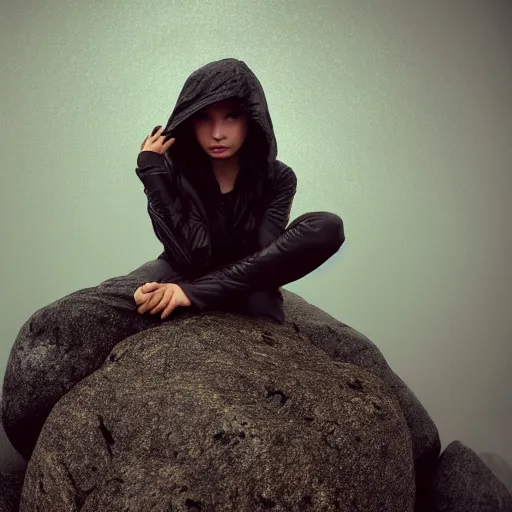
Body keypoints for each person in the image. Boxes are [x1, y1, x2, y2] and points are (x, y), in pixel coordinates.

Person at [1, 58, 345, 460]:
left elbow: (265, 257)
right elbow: (193, 252)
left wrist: (190, 294)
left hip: (240, 280)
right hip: (181, 267)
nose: (218, 132)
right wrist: (153, 174)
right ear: (188, 121)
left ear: (252, 118)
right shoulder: (177, 169)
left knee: (327, 225)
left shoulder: (278, 177)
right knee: (81, 313)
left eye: (232, 117)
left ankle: (193, 296)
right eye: (204, 118)